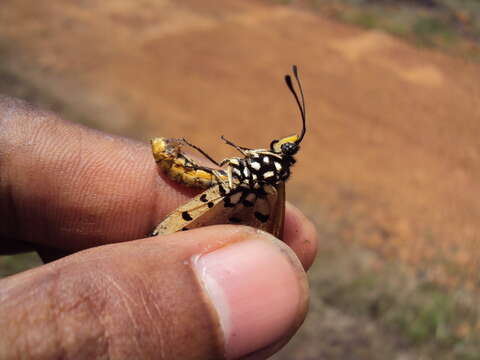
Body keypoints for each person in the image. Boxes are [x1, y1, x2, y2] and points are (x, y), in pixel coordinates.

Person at [0, 96, 318, 360]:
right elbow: (235, 167)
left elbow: (237, 170)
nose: (282, 144)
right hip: (223, 191)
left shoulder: (269, 181)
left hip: (217, 209)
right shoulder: (265, 168)